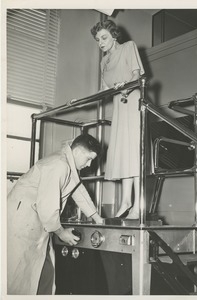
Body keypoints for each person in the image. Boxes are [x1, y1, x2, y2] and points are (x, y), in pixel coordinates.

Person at [7, 133, 103, 295]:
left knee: (41, 275)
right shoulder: (59, 165)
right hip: (21, 223)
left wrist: (98, 219)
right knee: (17, 277)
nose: (89, 164)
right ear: (78, 152)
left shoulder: (68, 165)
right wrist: (60, 232)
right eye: (88, 159)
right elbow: (47, 205)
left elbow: (79, 192)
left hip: (33, 222)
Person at [91, 20, 145, 219]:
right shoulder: (103, 62)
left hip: (132, 100)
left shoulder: (128, 47)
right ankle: (125, 202)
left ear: (114, 36)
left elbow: (137, 76)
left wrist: (126, 85)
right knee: (123, 151)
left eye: (104, 38)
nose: (100, 42)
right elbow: (105, 90)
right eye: (97, 40)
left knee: (134, 150)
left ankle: (138, 206)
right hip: (119, 105)